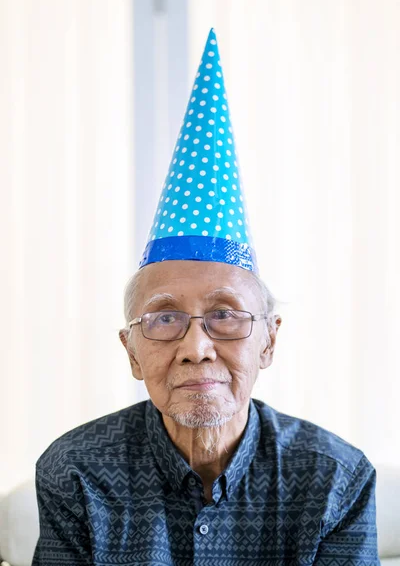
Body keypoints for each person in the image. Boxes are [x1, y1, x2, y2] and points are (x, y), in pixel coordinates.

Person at [32, 29, 380, 565]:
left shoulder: (336, 478)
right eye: (165, 317)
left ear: (268, 341)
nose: (196, 346)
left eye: (224, 315)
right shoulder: (74, 471)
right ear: (130, 351)